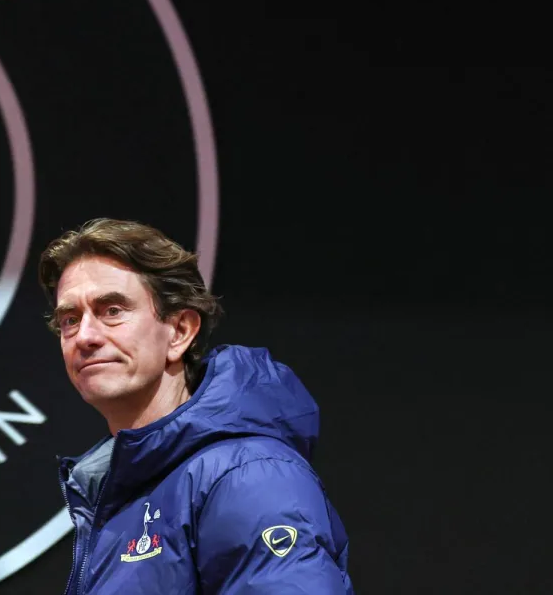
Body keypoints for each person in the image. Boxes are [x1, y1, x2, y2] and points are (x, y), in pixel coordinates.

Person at [40, 218, 353, 594]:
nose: (85, 336)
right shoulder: (126, 489)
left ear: (180, 331)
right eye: (70, 320)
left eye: (112, 310)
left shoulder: (247, 474)